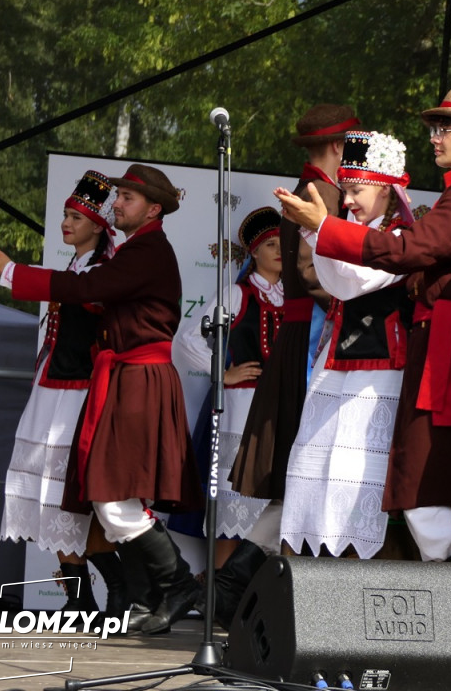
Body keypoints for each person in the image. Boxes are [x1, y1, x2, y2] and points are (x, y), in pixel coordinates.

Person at [276, 86, 451, 565]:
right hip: (425, 351)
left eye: (446, 128)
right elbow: (343, 283)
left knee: (421, 486)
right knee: (409, 485)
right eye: (433, 129)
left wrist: (324, 228)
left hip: (431, 356)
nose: (435, 138)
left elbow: (405, 255)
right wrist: (320, 230)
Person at [0, 164, 203, 635]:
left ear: (153, 209)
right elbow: (87, 292)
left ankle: (172, 586)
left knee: (111, 497)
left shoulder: (148, 251)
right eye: (117, 196)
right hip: (123, 378)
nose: (117, 203)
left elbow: (88, 290)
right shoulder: (139, 249)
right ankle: (148, 593)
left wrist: (12, 273)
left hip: (138, 379)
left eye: (127, 199)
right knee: (104, 497)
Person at [223, 104, 355, 613]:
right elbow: (310, 268)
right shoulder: (317, 194)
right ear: (340, 146)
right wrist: (360, 294)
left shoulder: (320, 190)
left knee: (302, 475)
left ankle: (238, 583)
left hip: (309, 330)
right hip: (312, 333)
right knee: (305, 468)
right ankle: (249, 588)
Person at [0, 170, 125, 617]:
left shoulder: (104, 271)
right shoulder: (77, 267)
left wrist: (13, 272)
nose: (66, 223)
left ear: (99, 225)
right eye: (65, 215)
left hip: (79, 393)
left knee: (74, 499)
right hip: (51, 389)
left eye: (76, 216)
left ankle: (121, 592)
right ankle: (80, 600)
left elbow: (85, 299)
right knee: (49, 497)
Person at [281, 130, 415, 560]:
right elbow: (334, 279)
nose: (350, 201)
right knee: (315, 468)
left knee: (359, 475)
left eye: (357, 190)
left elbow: (353, 282)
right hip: (335, 364)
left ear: (388, 190)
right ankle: (318, 574)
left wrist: (322, 230)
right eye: (346, 191)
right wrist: (321, 233)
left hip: (380, 374)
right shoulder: (350, 233)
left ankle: (364, 576)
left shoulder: (401, 237)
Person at [172, 207, 281, 624]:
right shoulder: (237, 294)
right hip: (238, 408)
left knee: (269, 504)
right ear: (253, 253)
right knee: (232, 506)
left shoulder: (295, 297)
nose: (279, 253)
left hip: (279, 411)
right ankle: (219, 598)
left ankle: (260, 604)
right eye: (270, 246)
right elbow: (187, 341)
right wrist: (225, 372)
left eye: (281, 245)